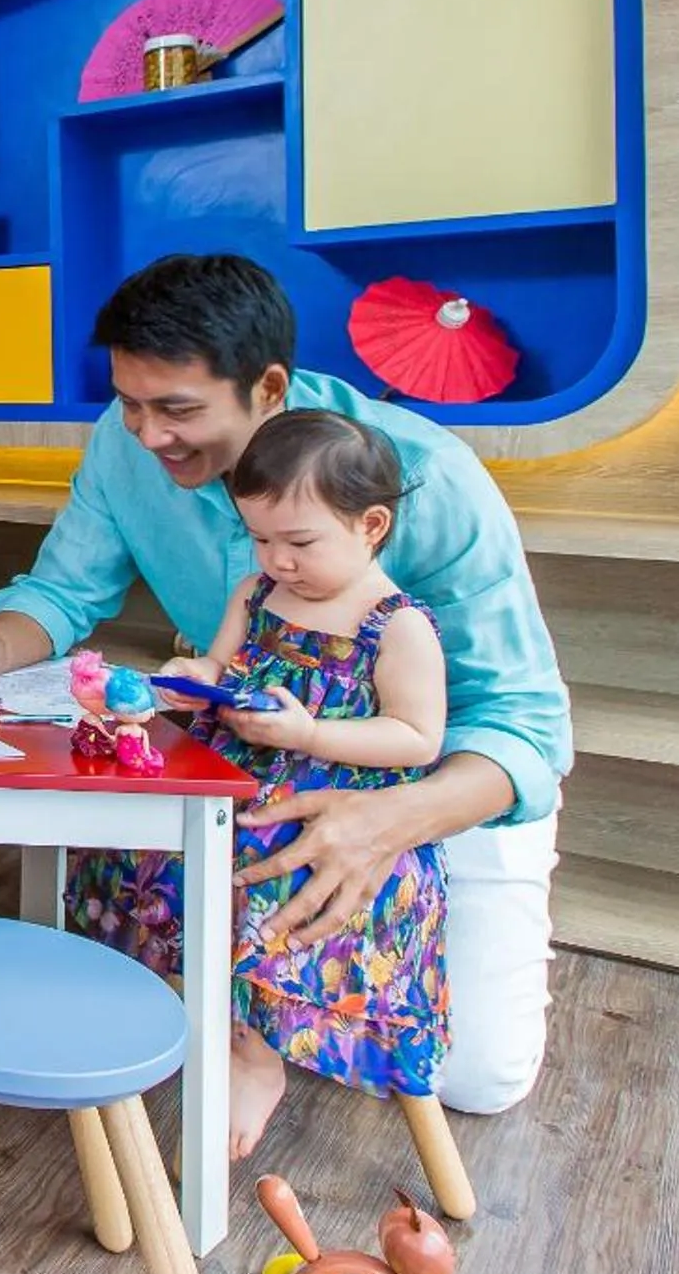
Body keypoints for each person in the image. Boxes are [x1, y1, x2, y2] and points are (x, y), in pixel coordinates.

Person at [0, 254, 569, 1115]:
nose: (148, 436)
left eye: (178, 409)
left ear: (268, 387)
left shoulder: (426, 480)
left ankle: (272, 1002)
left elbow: (522, 722)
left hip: (428, 771)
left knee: (476, 1079)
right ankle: (249, 1017)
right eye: (130, 403)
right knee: (147, 950)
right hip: (257, 761)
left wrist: (383, 822)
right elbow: (64, 591)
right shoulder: (125, 441)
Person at [73, 409, 449, 1155]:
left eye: (300, 542)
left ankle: (254, 1052)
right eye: (261, 538)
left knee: (258, 881)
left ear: (371, 524)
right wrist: (194, 679)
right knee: (130, 844)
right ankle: (155, 1002)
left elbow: (417, 736)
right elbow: (221, 666)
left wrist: (309, 734)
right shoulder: (256, 593)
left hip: (327, 812)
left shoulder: (395, 625)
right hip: (231, 783)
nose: (278, 559)